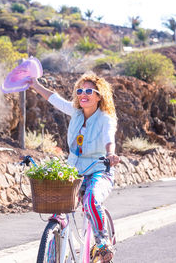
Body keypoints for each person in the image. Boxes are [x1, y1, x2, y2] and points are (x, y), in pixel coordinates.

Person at [29, 72, 120, 262]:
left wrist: (110, 153)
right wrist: (34, 84)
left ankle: (102, 242)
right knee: (59, 207)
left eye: (89, 90)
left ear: (99, 95)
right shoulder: (76, 112)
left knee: (91, 199)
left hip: (99, 169)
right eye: (80, 90)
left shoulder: (106, 118)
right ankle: (53, 257)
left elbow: (108, 138)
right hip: (75, 171)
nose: (83, 94)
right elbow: (55, 99)